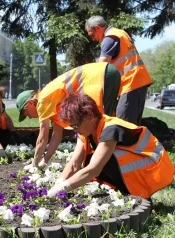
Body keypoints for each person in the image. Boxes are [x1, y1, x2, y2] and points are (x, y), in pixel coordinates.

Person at [47, 93, 175, 199]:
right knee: (93, 157)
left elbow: (94, 169)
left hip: (152, 170)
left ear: (89, 116)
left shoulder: (110, 129)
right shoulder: (86, 131)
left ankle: (137, 195)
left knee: (102, 159)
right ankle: (122, 190)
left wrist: (64, 187)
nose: (75, 130)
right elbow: (75, 163)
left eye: (76, 125)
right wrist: (60, 182)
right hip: (140, 169)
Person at [17, 62, 120, 169]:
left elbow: (42, 138)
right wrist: (44, 161)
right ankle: (103, 164)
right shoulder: (50, 102)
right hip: (106, 72)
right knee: (104, 123)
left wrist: (34, 164)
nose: (28, 117)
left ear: (30, 103)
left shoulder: (43, 101)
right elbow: (56, 136)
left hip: (100, 76)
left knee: (100, 124)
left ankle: (103, 166)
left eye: (26, 113)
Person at [85, 16, 153, 125]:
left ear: (98, 28)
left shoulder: (109, 38)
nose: (93, 39)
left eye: (92, 35)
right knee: (132, 126)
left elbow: (101, 69)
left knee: (122, 126)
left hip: (130, 84)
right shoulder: (120, 33)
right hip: (139, 82)